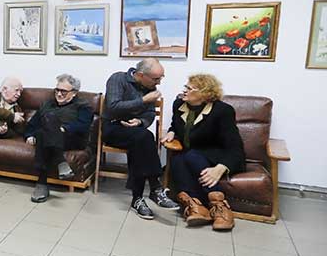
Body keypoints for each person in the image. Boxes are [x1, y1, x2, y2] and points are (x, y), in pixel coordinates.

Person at [162, 74, 245, 231]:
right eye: (185, 87)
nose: (184, 91)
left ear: (205, 94)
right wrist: (172, 131)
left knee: (190, 156)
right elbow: (176, 124)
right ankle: (197, 206)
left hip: (217, 155)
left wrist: (220, 168)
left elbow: (235, 147)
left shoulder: (223, 111)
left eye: (189, 88)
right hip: (190, 154)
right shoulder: (179, 104)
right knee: (177, 159)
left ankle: (219, 206)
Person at [102, 58, 178, 219]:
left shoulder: (150, 87)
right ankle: (155, 188)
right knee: (145, 137)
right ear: (141, 75)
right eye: (156, 78)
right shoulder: (118, 79)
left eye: (161, 78)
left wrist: (140, 121)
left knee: (141, 141)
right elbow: (113, 107)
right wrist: (143, 100)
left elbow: (150, 114)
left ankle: (138, 199)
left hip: (135, 131)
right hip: (113, 127)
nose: (159, 82)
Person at [25, 74, 94, 203]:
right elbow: (32, 124)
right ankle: (60, 162)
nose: (59, 94)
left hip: (72, 139)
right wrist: (29, 135)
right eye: (57, 90)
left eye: (63, 91)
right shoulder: (47, 104)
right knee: (42, 132)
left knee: (47, 124)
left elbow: (83, 125)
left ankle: (41, 184)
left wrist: (64, 129)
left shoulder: (83, 106)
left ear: (74, 93)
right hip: (49, 138)